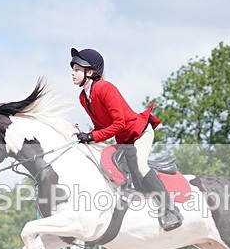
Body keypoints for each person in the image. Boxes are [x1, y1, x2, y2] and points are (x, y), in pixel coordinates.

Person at [69, 47, 183, 231]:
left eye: (77, 70)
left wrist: (92, 136)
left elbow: (119, 123)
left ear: (90, 72)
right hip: (123, 138)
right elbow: (100, 127)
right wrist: (86, 137)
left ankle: (170, 210)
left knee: (140, 165)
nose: (73, 73)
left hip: (139, 132)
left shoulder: (106, 88)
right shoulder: (84, 97)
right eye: (73, 69)